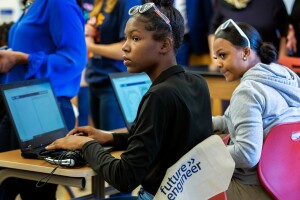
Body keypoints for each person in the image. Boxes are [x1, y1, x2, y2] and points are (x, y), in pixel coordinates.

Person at [46, 0, 213, 199]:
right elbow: (157, 140)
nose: (125, 47)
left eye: (135, 38)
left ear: (165, 44)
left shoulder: (158, 95)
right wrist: (110, 137)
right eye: (126, 38)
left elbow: (124, 178)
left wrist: (85, 145)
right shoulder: (197, 82)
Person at [0, 0, 87, 199]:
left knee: (35, 193)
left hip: (44, 110)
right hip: (17, 106)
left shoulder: (59, 3)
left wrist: (21, 59)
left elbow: (74, 60)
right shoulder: (34, 4)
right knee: (6, 185)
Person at [212, 19, 300, 199]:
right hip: (286, 182)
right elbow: (235, 120)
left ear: (245, 51)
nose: (218, 64)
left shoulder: (248, 92)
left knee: (189, 184)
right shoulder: (286, 77)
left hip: (254, 186)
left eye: (222, 55)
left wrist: (208, 154)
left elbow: (246, 154)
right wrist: (200, 123)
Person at [84, 0, 141, 131]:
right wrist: (90, 30)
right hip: (95, 79)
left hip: (115, 83)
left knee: (111, 142)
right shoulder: (101, 3)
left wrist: (91, 46)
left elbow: (126, 48)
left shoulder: (127, 3)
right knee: (100, 140)